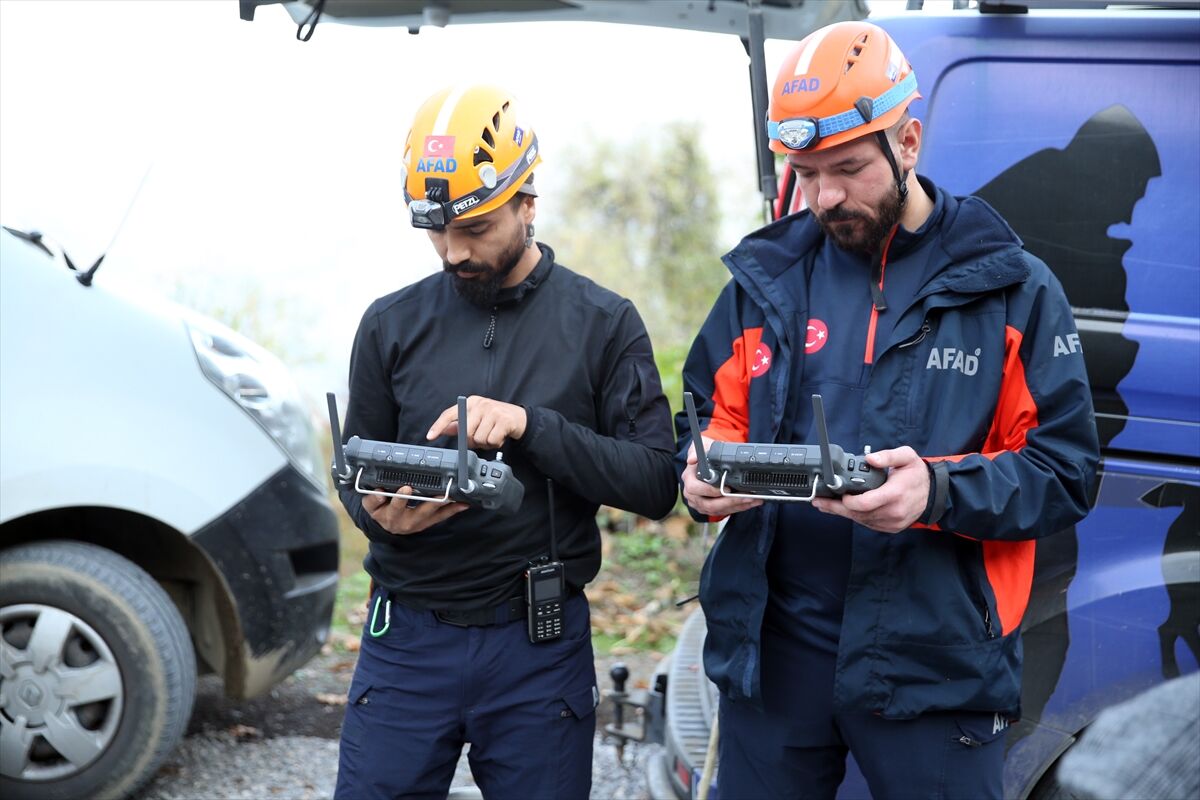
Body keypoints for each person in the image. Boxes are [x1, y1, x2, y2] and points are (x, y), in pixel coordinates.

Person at [678, 21, 1100, 799]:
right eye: (804, 173)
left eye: (846, 168)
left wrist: (934, 493)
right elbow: (709, 414)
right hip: (775, 655)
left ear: (908, 141)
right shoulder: (764, 276)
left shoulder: (1011, 287)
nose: (824, 196)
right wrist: (699, 473)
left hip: (934, 661)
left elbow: (1066, 471)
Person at [334, 84, 677, 800]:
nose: (454, 251)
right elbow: (356, 463)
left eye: (477, 227)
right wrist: (374, 516)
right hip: (407, 640)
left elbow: (654, 481)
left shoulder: (603, 324)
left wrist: (531, 426)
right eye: (435, 228)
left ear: (528, 201)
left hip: (536, 645)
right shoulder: (389, 324)